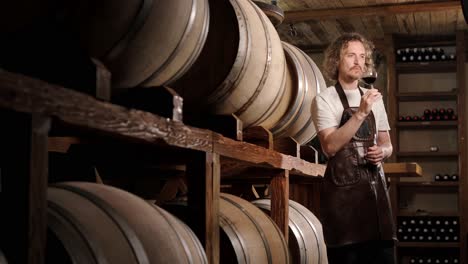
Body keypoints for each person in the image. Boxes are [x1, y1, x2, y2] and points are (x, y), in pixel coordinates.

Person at [311, 32, 396, 264]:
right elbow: (330, 146)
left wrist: (382, 153)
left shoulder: (374, 99)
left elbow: (387, 144)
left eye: (362, 56)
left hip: (375, 194)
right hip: (343, 200)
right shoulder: (324, 100)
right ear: (336, 61)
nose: (358, 61)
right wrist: (360, 113)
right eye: (351, 55)